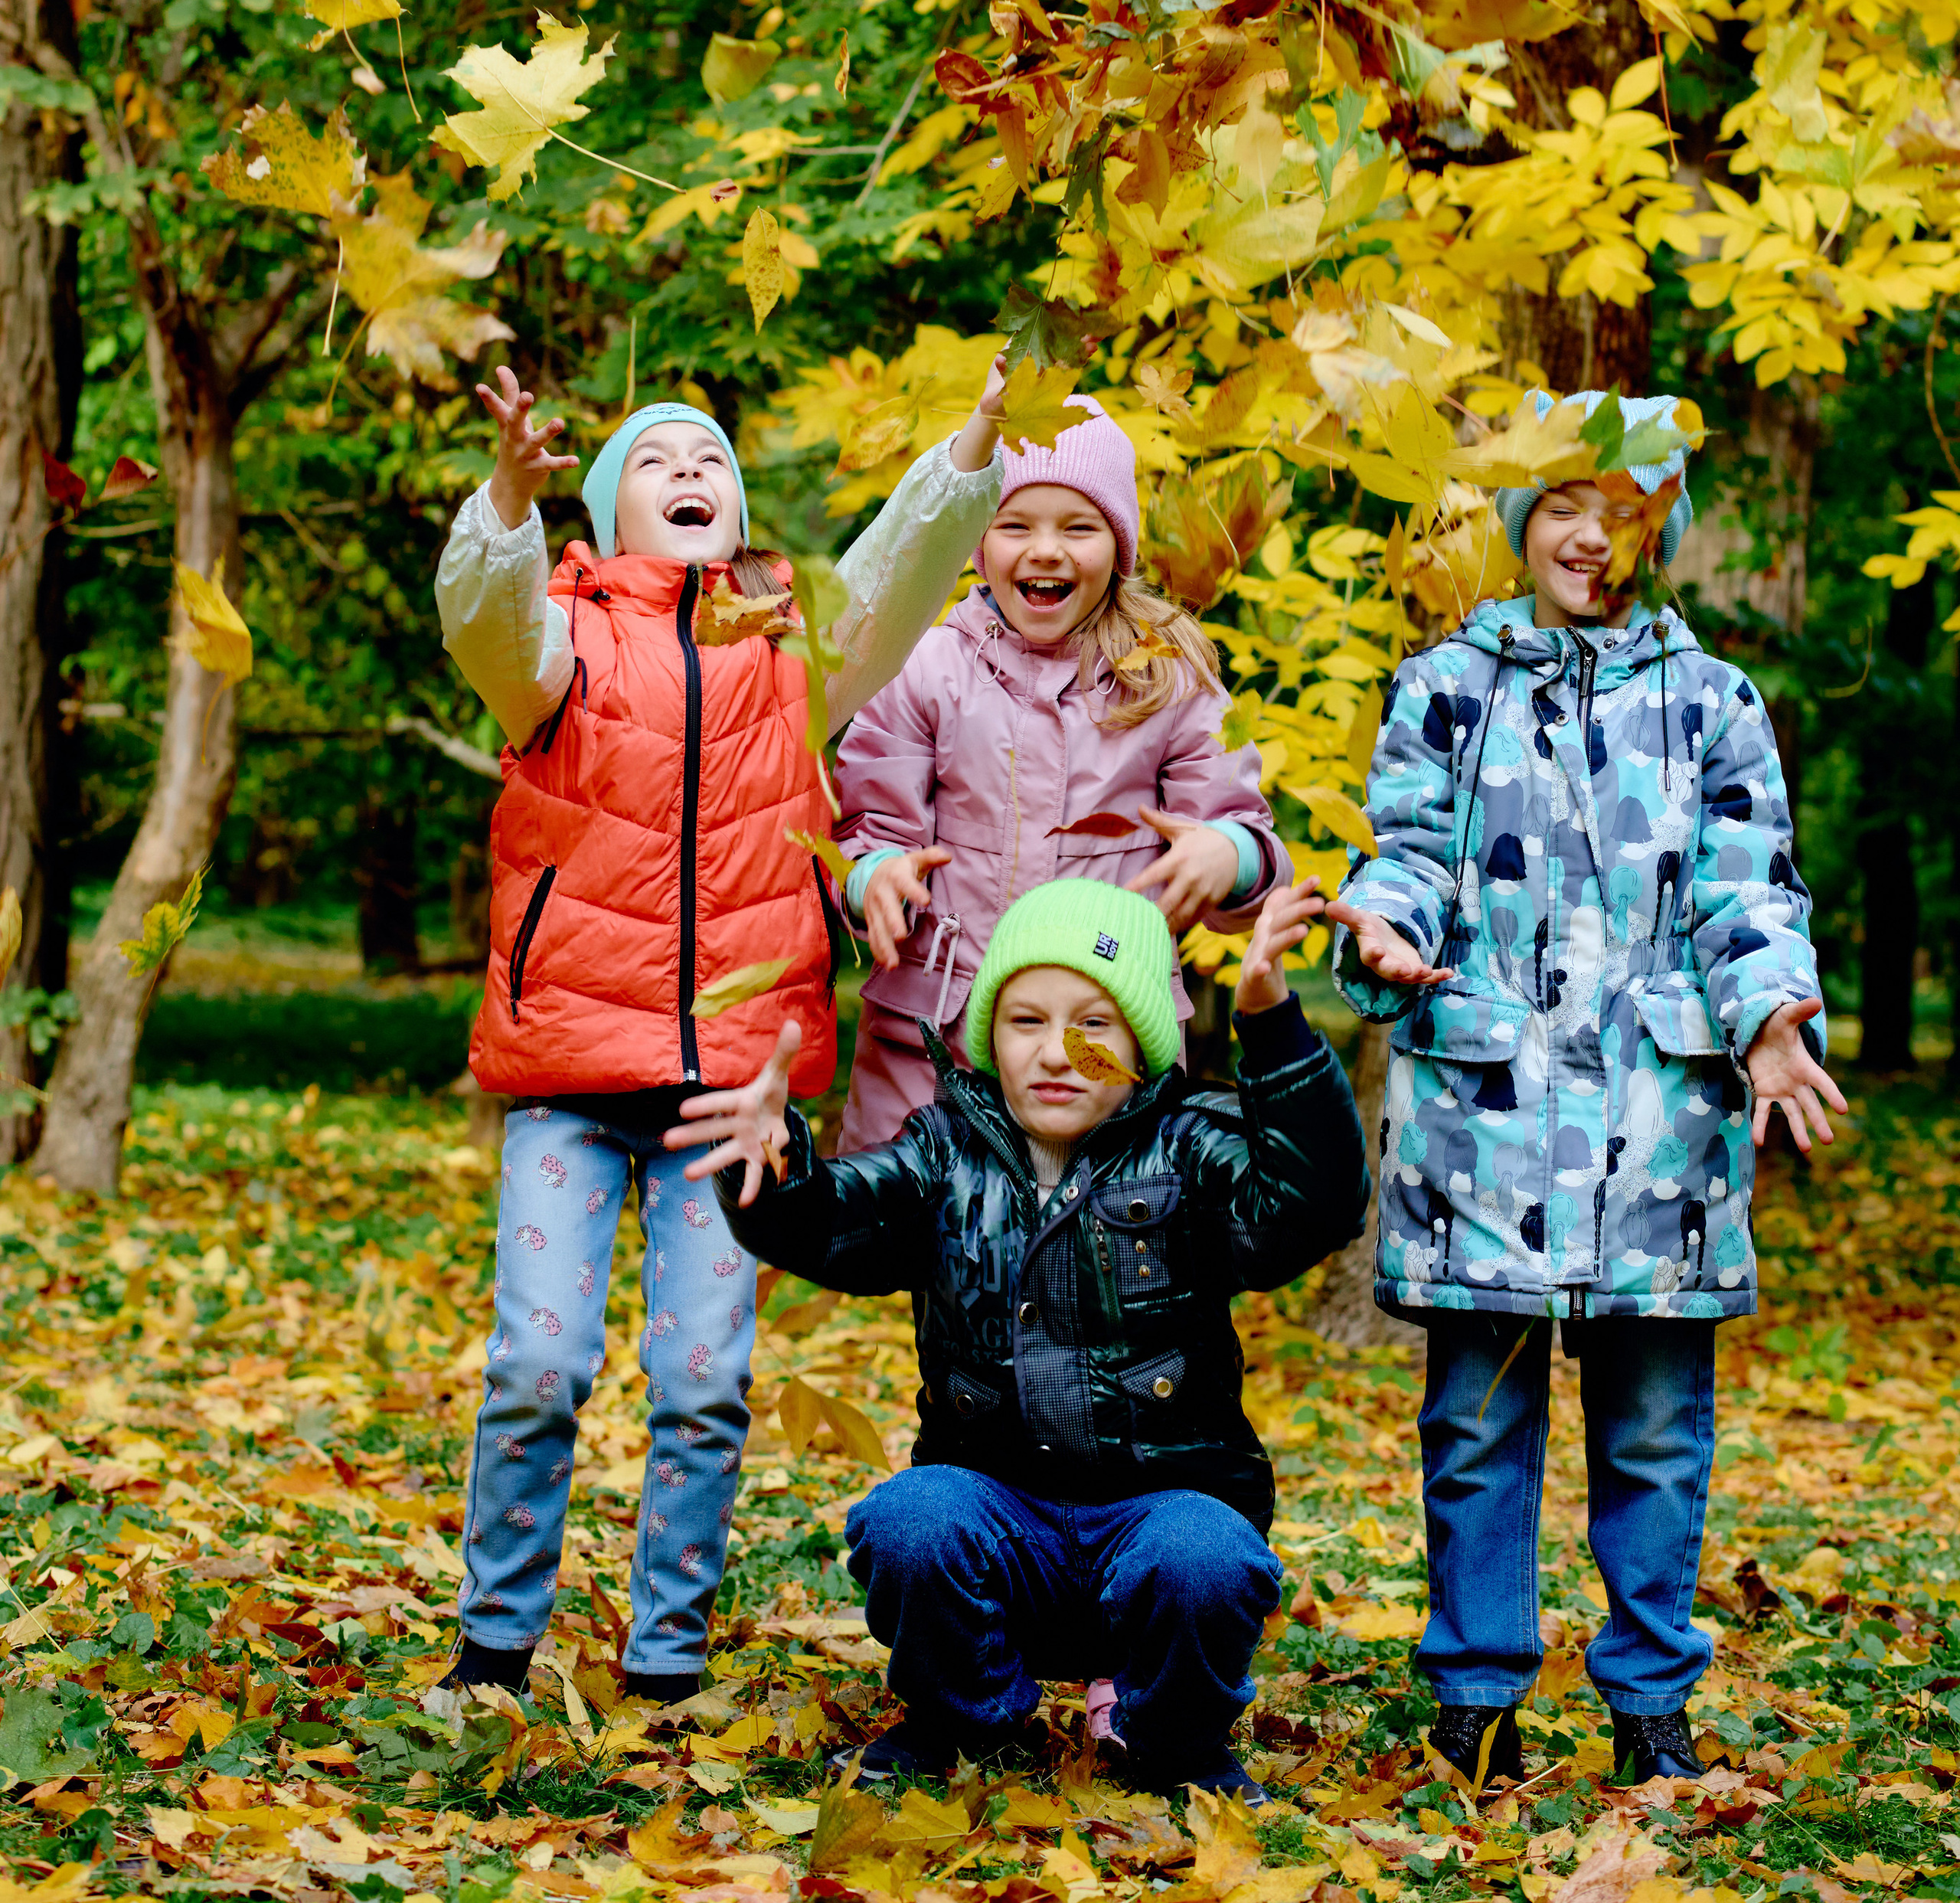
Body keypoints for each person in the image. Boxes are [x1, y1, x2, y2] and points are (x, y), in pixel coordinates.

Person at [427, 361, 1008, 1705]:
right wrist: (505, 504)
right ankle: (493, 1646)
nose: (689, 472)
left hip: (732, 1091)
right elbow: (486, 620)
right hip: (571, 1075)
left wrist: (979, 438)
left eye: (710, 459)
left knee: (702, 1385)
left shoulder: (795, 641)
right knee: (537, 1361)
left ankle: (668, 1656)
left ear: (735, 506)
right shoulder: (560, 642)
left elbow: (906, 563)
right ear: (608, 507)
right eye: (656, 458)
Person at [1326, 389, 1845, 1790]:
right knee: (1477, 1427)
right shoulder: (1446, 685)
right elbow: (1413, 850)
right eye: (1562, 507)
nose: (1590, 538)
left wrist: (1775, 1020)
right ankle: (1477, 1698)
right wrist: (1383, 927)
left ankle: (1649, 1705)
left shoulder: (1715, 704)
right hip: (1482, 1132)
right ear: (1519, 522)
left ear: (1656, 528)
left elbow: (1750, 892)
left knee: (1660, 1438)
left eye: (1620, 513)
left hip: (1659, 1140)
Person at [665, 872, 1368, 1800]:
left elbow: (1310, 1208)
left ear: (1141, 1046)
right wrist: (782, 1170)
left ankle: (1171, 1740)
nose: (1057, 1052)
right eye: (1026, 1021)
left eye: (1094, 1025)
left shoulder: (1188, 1147)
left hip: (1157, 1525)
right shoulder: (943, 1149)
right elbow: (836, 1221)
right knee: (911, 1519)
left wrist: (1272, 1022)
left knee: (1208, 1554)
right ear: (989, 1036)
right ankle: (963, 1719)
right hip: (1004, 1527)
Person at [832, 396, 1282, 1151]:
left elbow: (1246, 834)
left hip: (1101, 1053)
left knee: (1090, 1252)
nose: (1045, 550)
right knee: (940, 1247)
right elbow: (865, 827)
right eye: (1015, 525)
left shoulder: (1166, 675)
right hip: (938, 1044)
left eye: (1077, 526)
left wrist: (1226, 855)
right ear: (978, 540)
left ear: (1118, 543)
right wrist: (871, 876)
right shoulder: (925, 664)